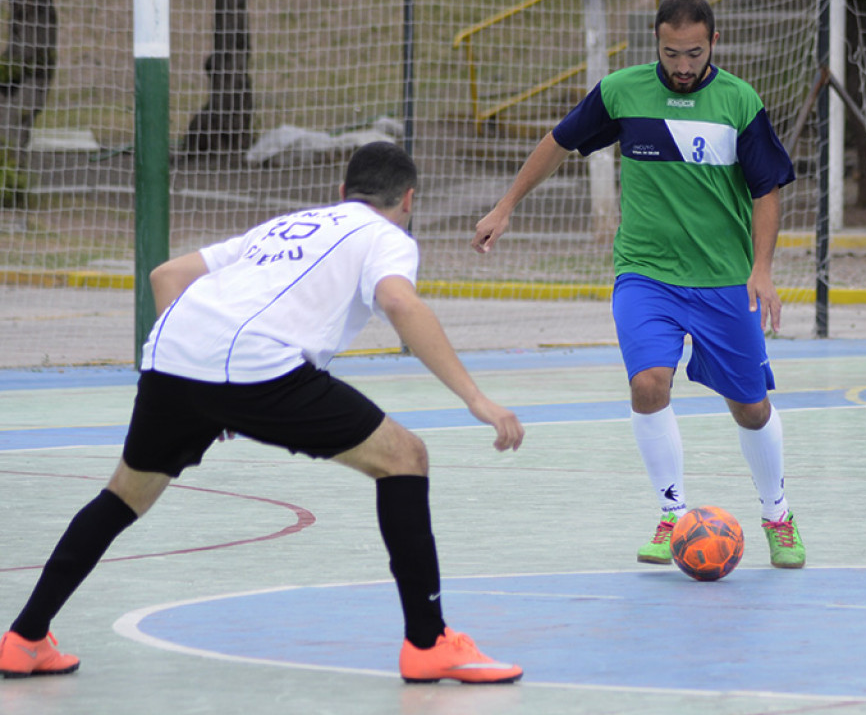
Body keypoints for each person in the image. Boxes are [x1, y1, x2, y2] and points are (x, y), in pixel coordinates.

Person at [1, 141, 526, 684]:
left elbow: (166, 276)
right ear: (409, 199)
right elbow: (399, 302)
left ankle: (25, 638)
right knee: (405, 457)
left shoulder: (285, 226)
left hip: (172, 356)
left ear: (342, 192)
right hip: (255, 365)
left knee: (122, 497)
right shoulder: (385, 236)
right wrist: (475, 398)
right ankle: (429, 643)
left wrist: (209, 379)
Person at [472, 0, 804, 570]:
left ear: (713, 45)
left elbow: (766, 191)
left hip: (724, 279)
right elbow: (559, 142)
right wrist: (506, 206)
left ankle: (777, 514)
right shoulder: (622, 92)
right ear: (656, 43)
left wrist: (763, 270)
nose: (681, 66)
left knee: (750, 408)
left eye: (693, 54)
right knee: (648, 384)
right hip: (645, 273)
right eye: (671, 53)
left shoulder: (739, 103)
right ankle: (672, 514)